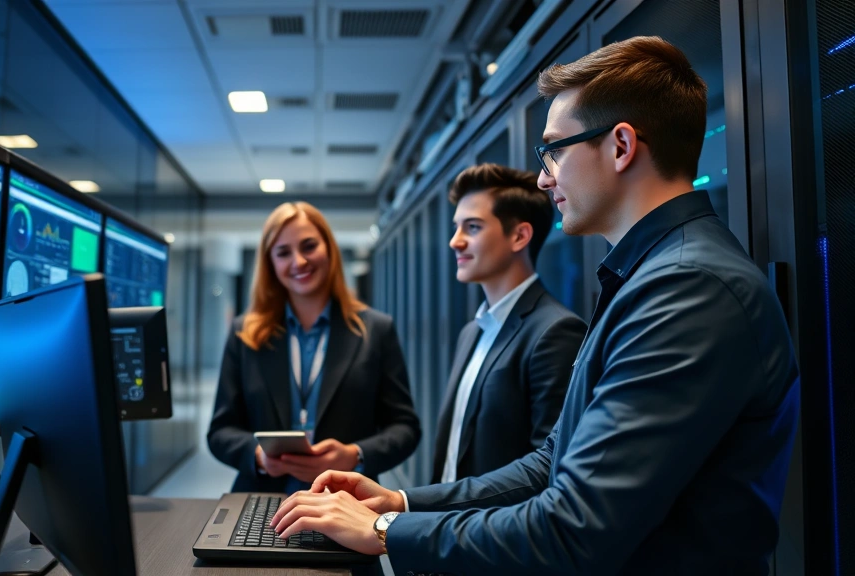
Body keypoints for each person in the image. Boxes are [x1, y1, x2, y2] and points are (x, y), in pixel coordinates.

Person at [269, 36, 799, 575]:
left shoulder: (687, 287)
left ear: (620, 147)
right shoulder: (649, 275)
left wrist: (384, 532)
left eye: (554, 151)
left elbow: (575, 526)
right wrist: (402, 504)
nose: (545, 177)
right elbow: (554, 461)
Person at [208, 201, 421, 495]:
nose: (298, 261)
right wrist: (259, 457)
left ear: (329, 250)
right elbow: (220, 432)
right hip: (262, 499)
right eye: (283, 253)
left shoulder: (376, 330)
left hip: (348, 501)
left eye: (309, 246)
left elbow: (405, 428)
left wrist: (354, 454)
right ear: (270, 263)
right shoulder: (245, 335)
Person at [434, 164, 585, 484]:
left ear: (519, 235)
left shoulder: (555, 332)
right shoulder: (471, 331)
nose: (455, 242)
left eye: (472, 227)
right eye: (456, 227)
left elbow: (548, 471)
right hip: (447, 526)